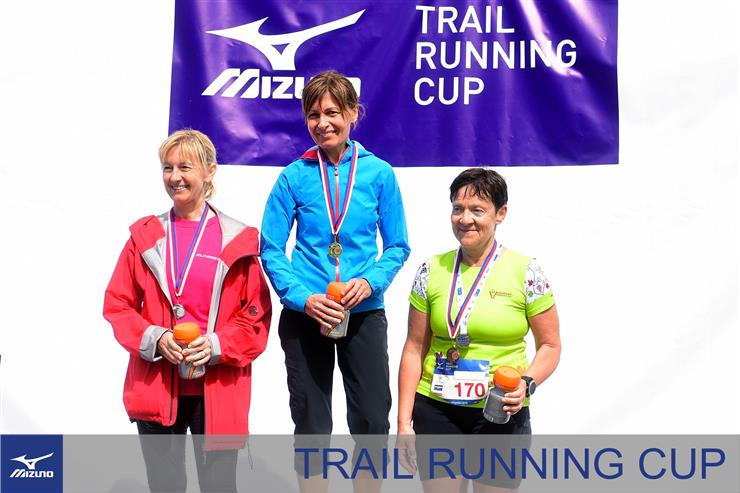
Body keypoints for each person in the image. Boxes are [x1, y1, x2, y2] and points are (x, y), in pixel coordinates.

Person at [261, 70, 410, 492]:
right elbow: (270, 248)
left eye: (332, 112)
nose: (322, 123)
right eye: (313, 114)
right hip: (307, 314)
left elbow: (397, 245)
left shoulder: (379, 174)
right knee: (311, 423)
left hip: (362, 313)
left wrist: (371, 283)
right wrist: (303, 298)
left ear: (352, 113)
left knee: (372, 421)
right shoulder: (293, 176)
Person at [103, 129, 271, 492]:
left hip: (219, 391)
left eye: (185, 167)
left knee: (219, 487)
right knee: (164, 486)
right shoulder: (145, 237)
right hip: (157, 388)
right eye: (168, 167)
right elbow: (118, 304)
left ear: (210, 171)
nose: (174, 176)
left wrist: (215, 345)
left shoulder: (236, 238)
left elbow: (255, 318)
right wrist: (156, 337)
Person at [397, 168, 561, 492]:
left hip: (501, 409)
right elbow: (414, 349)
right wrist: (403, 423)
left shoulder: (526, 271)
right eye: (458, 209)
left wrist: (526, 383)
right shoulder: (430, 269)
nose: (465, 219)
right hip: (437, 408)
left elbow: (550, 346)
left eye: (477, 210)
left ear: (500, 214)